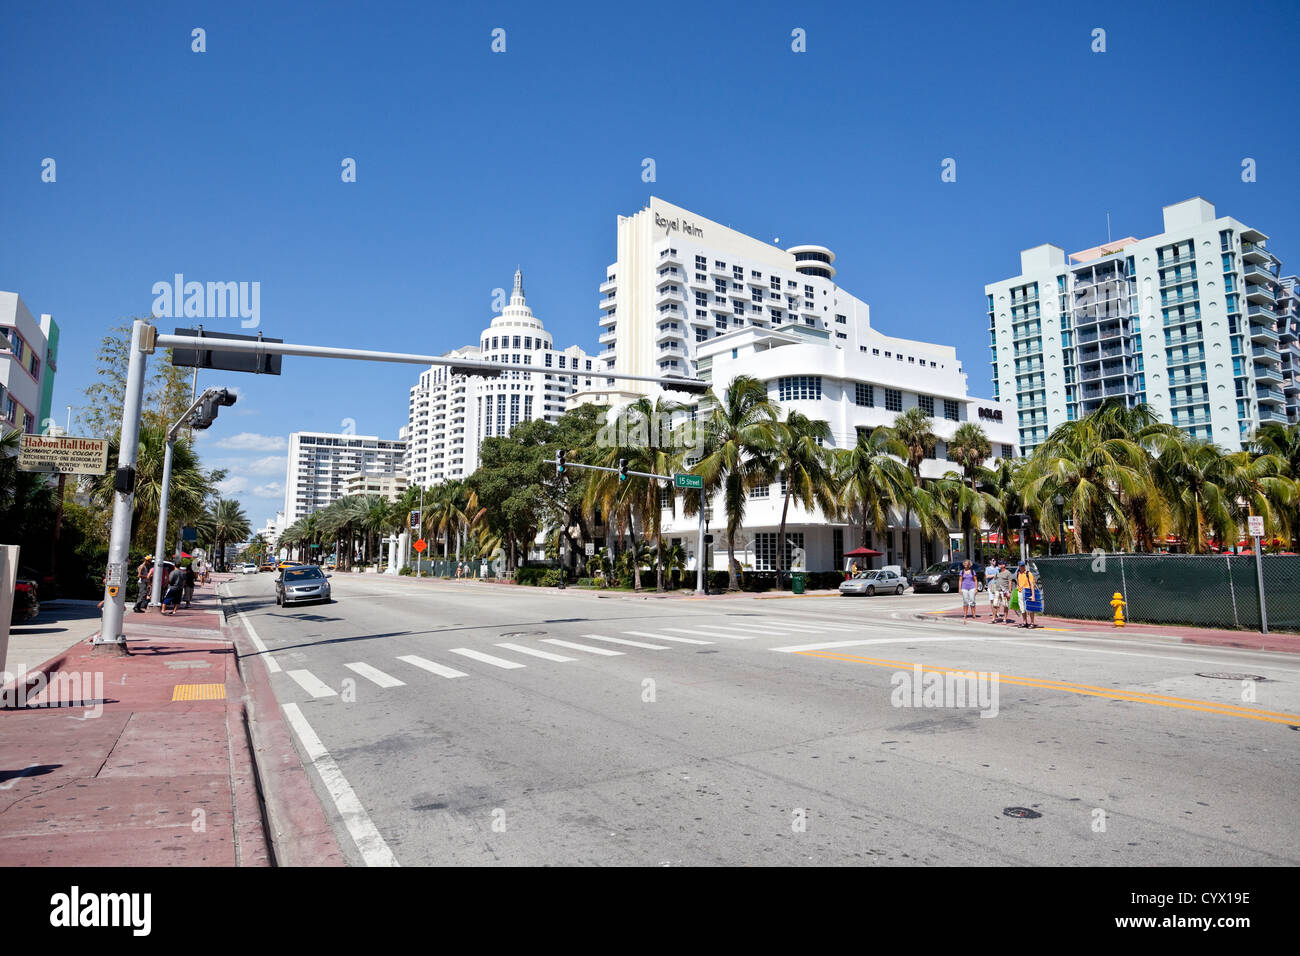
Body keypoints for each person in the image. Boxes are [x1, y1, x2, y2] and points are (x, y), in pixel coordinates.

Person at [1016, 561, 1039, 628]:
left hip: (1028, 592)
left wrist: (1033, 595)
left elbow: (1032, 585)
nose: (1022, 567)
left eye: (1023, 565)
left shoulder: (1028, 574)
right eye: (1021, 566)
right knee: (1022, 608)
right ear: (1019, 566)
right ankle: (1024, 622)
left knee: (1030, 608)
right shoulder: (1018, 574)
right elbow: (1018, 583)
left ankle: (1032, 623)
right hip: (1020, 592)